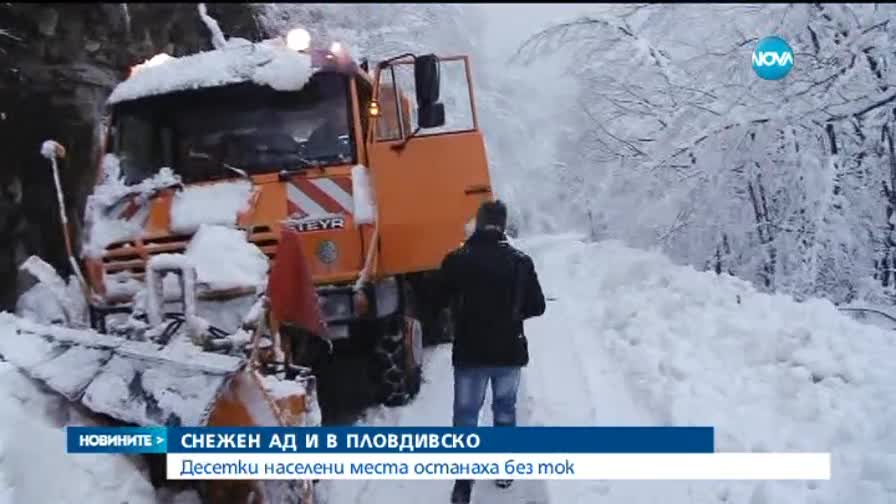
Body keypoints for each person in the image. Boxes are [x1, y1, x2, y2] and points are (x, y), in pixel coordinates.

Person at [436, 200, 546, 504]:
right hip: (508, 350)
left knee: (466, 415)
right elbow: (537, 306)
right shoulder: (521, 261)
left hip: (470, 352)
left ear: (479, 222)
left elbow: (437, 299)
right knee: (505, 409)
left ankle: (463, 482)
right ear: (504, 225)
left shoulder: (457, 260)